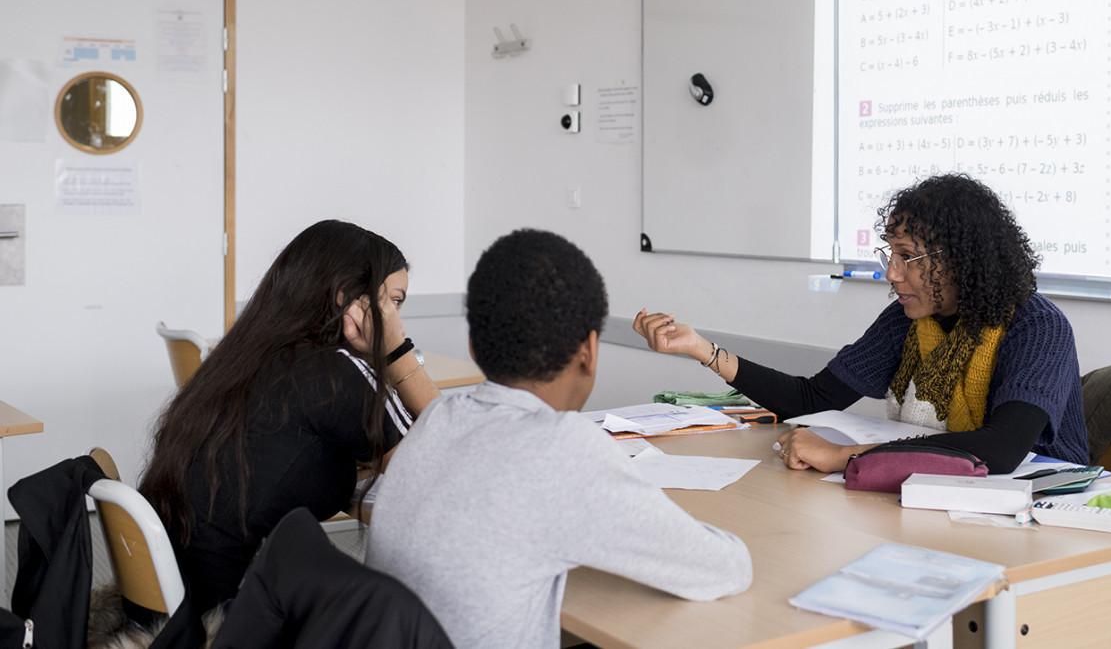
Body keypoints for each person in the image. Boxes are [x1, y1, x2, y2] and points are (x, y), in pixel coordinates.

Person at [367, 228, 752, 649]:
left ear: (475, 347)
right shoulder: (562, 449)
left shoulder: (438, 420)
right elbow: (726, 569)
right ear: (589, 349)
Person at [634, 173, 1088, 474]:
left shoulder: (1036, 327)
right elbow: (811, 398)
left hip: (1042, 503)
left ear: (961, 261)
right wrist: (704, 351)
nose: (892, 273)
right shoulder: (909, 318)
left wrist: (842, 457)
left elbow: (1003, 450)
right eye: (890, 254)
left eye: (908, 257)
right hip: (948, 495)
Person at [140, 220, 440, 611]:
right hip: (232, 611)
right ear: (349, 298)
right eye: (394, 303)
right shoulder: (337, 373)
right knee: (403, 606)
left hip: (173, 595)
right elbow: (441, 460)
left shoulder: (246, 355)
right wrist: (395, 352)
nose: (399, 319)